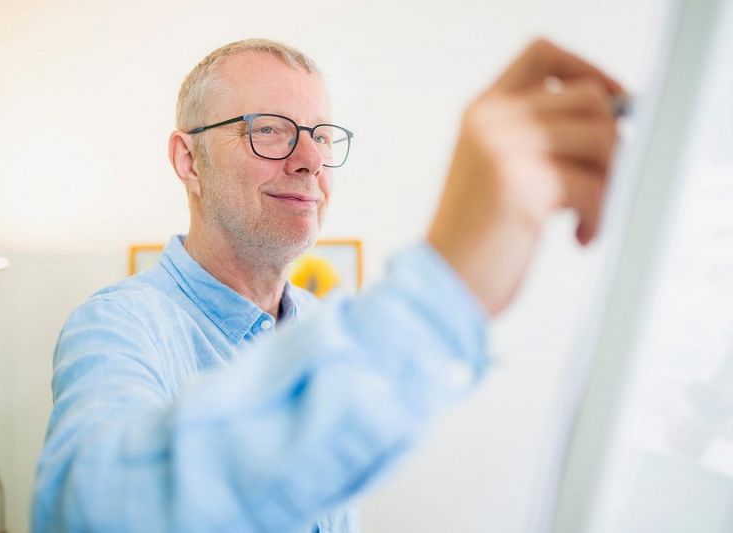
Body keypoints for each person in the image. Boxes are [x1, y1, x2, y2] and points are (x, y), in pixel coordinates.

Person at [32, 38, 623, 532]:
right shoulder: (119, 325)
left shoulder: (322, 324)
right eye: (269, 131)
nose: (311, 158)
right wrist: (444, 290)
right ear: (188, 160)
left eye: (321, 135)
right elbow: (92, 512)